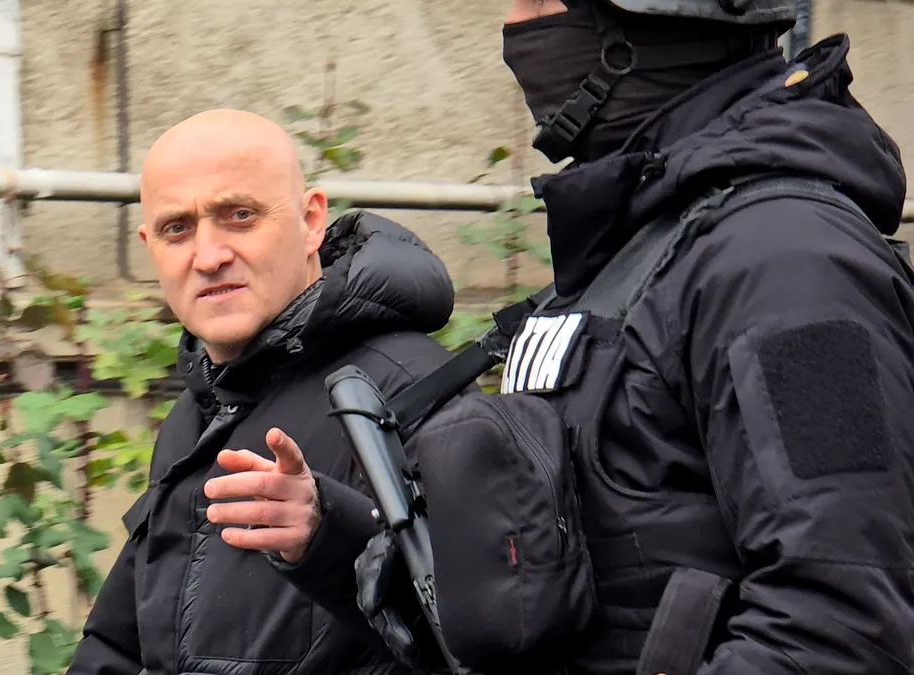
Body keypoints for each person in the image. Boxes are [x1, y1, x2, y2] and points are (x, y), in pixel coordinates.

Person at [342, 2, 914, 675]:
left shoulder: (786, 261)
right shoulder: (646, 244)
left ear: (632, 30)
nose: (515, 21)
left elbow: (844, 627)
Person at [66, 108, 460, 675]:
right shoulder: (198, 411)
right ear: (150, 246)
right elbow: (120, 645)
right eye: (178, 229)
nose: (208, 256)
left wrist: (331, 534)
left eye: (240, 216)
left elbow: (485, 637)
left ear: (311, 220)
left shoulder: (411, 389)